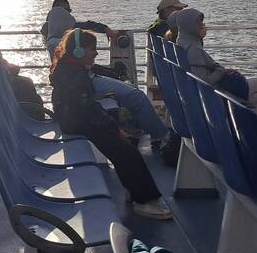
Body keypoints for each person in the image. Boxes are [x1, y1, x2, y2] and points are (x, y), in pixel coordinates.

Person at [50, 29, 172, 219]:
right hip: (77, 122)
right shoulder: (75, 76)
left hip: (73, 119)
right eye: (93, 49)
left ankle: (136, 191)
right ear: (79, 52)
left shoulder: (69, 68)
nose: (96, 53)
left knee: (125, 146)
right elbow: (88, 109)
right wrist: (115, 128)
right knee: (126, 150)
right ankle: (144, 201)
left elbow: (86, 107)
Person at [176, 8, 257, 128]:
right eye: (199, 24)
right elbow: (205, 81)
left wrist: (221, 70)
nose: (202, 26)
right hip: (213, 94)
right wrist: (221, 71)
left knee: (256, 98)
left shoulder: (183, 42)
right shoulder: (193, 50)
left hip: (206, 92)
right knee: (255, 83)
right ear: (190, 26)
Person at [41, 0, 115, 58]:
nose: (68, 14)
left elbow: (87, 25)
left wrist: (105, 28)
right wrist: (105, 28)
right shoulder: (69, 28)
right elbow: (87, 25)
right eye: (66, 11)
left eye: (69, 11)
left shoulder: (45, 29)